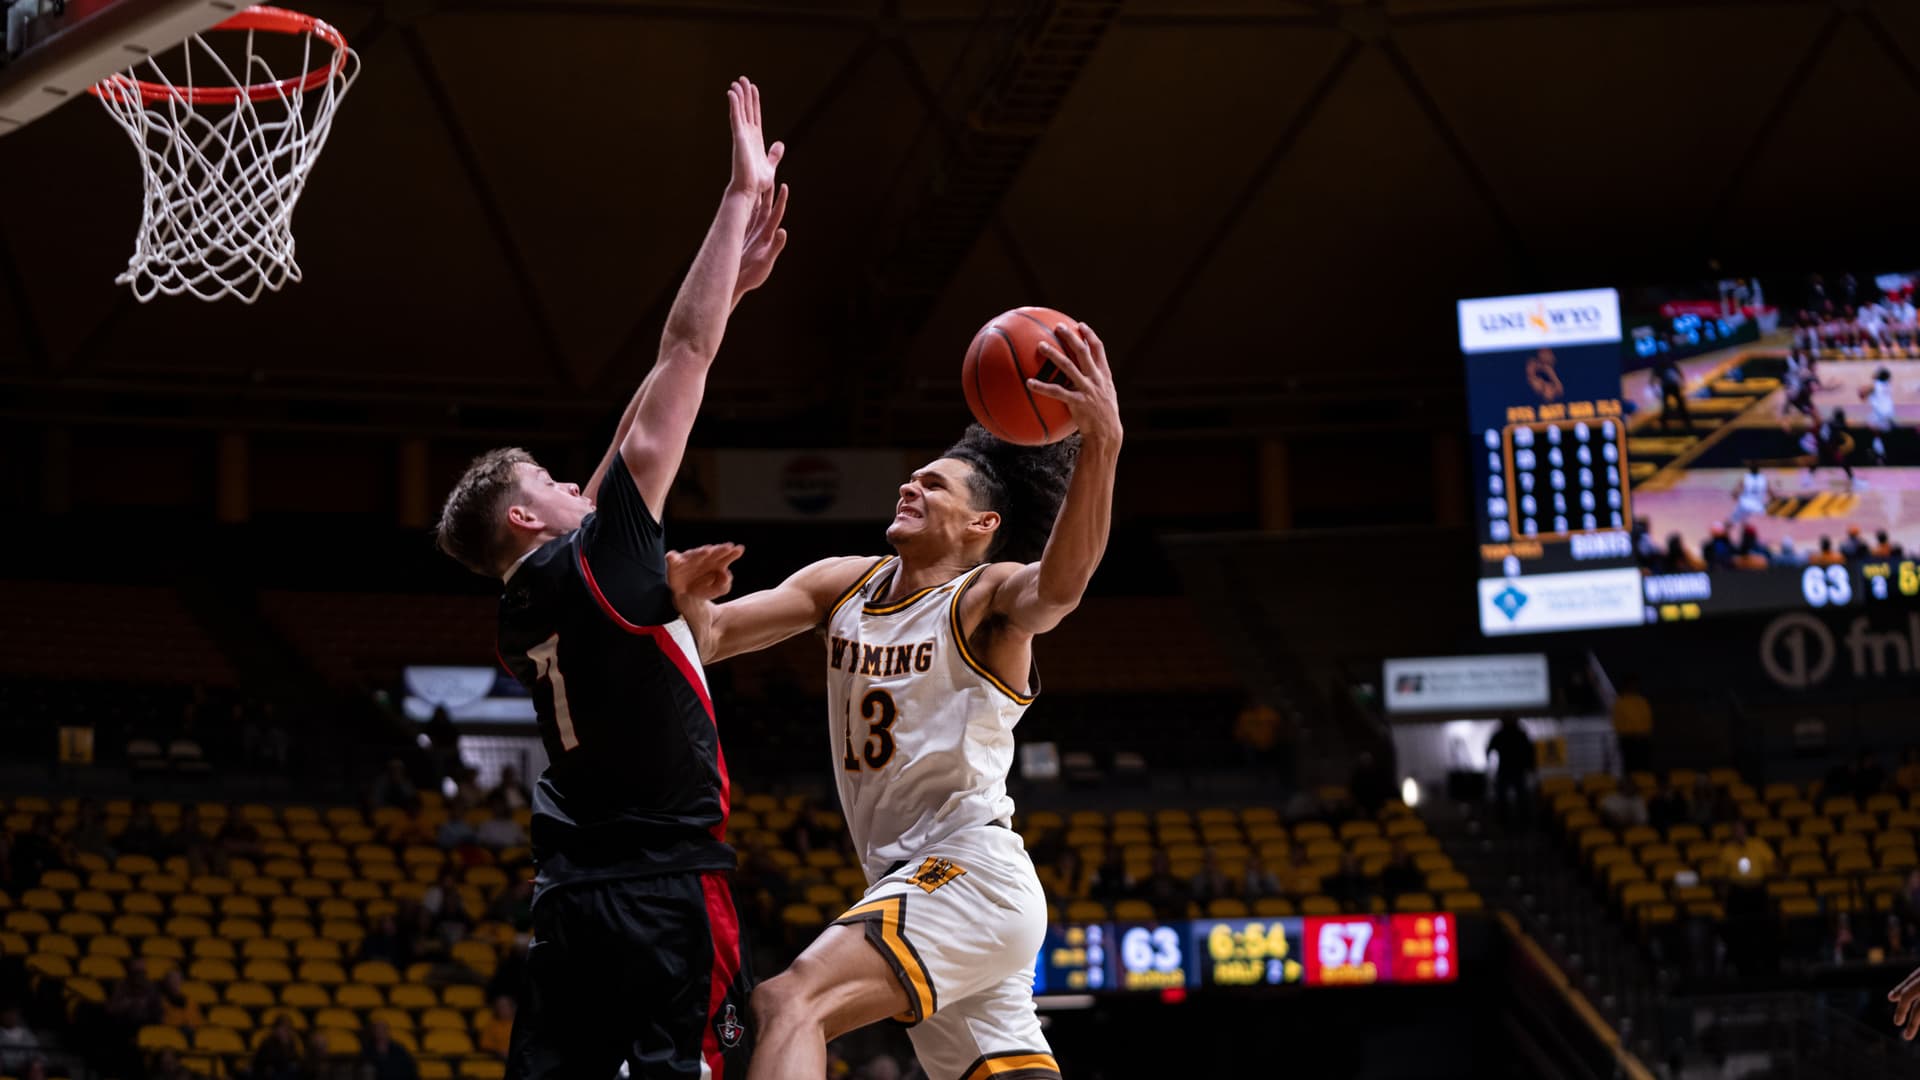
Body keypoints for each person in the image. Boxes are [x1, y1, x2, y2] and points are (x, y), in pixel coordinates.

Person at [432, 76, 785, 1080]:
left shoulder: (522, 608)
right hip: (668, 890)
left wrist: (737, 288)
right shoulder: (599, 558)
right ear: (522, 515)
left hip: (572, 901)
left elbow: (621, 451)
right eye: (548, 478)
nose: (571, 478)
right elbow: (685, 349)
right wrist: (733, 203)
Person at [667, 321, 1122, 1080]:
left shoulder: (984, 597)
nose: (911, 483)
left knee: (788, 1003)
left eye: (934, 483)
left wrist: (1101, 443)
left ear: (984, 525)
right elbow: (710, 639)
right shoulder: (843, 582)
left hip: (966, 870)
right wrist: (686, 600)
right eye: (912, 476)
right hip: (919, 884)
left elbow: (1061, 586)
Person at [1486, 715, 1536, 825]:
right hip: (1510, 770)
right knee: (1510, 798)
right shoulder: (1518, 734)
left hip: (1512, 770)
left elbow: (1530, 751)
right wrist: (1531, 767)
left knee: (1519, 798)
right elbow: (1530, 752)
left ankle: (1517, 822)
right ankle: (1511, 822)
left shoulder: (1514, 734)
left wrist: (1530, 766)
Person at [1612, 675, 1654, 776]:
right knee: (1630, 766)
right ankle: (1631, 788)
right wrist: (1627, 734)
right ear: (1626, 686)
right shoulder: (1620, 702)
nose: (1634, 687)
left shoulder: (1642, 701)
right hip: (1628, 740)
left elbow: (1648, 719)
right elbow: (1617, 723)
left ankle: (1643, 786)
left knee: (1644, 766)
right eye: (1631, 684)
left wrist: (1645, 734)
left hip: (1643, 739)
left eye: (1635, 684)